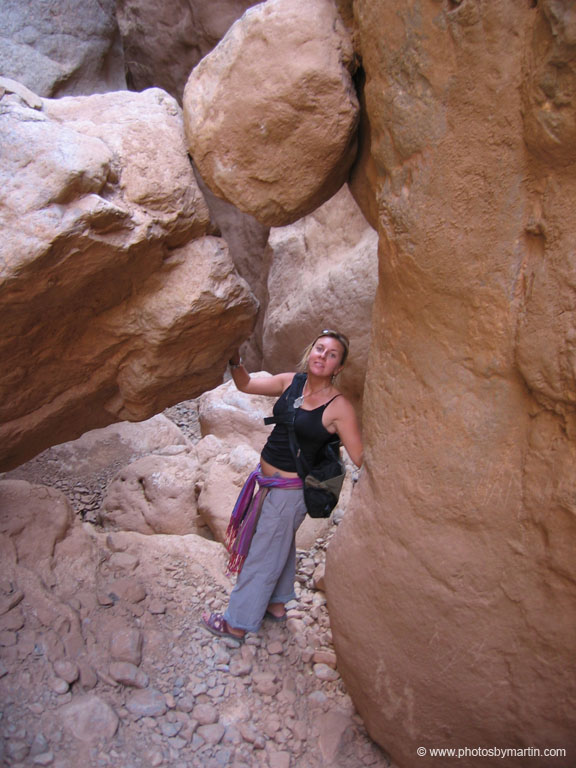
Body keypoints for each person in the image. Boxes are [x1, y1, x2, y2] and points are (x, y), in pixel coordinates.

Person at [202, 329, 363, 641]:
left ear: (338, 368)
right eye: (319, 349)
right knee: (277, 542)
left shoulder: (339, 407)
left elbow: (358, 456)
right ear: (310, 351)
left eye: (332, 355)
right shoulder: (292, 382)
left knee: (263, 553)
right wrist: (235, 359)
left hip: (291, 492)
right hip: (267, 485)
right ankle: (276, 603)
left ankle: (235, 624)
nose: (322, 356)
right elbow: (245, 384)